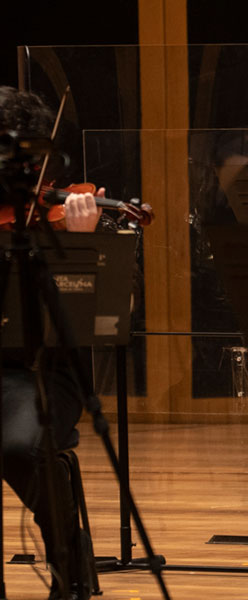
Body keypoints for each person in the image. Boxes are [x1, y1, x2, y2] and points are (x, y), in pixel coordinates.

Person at [0, 86, 103, 600]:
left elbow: (99, 317)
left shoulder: (67, 213)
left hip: (46, 370)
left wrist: (82, 247)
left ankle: (69, 560)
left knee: (18, 444)